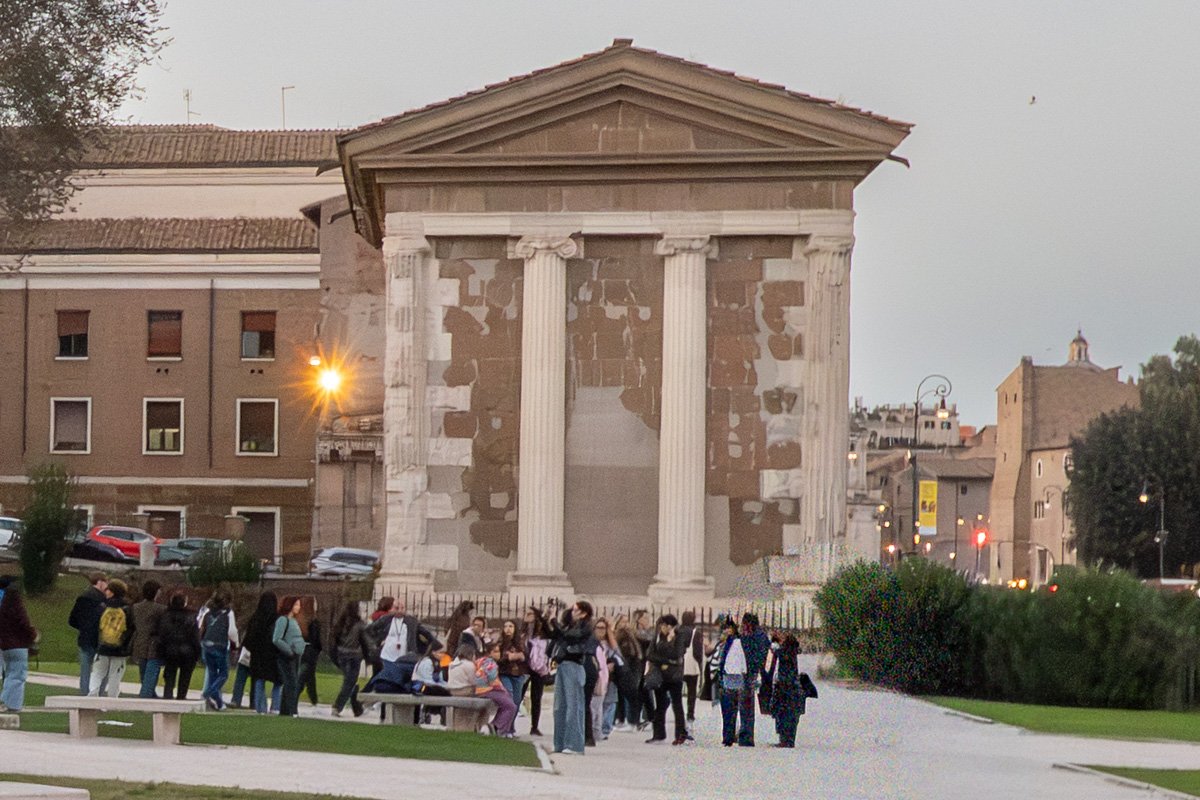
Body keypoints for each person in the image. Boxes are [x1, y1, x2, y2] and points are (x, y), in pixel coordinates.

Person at [363, 596, 441, 694]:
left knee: (400, 681)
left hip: (404, 657)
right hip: (387, 657)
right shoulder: (386, 619)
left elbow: (427, 634)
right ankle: (368, 697)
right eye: (396, 608)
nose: (399, 610)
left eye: (402, 608)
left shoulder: (411, 621)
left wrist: (433, 647)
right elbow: (370, 630)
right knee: (383, 679)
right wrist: (375, 643)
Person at [548, 599, 593, 755]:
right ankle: (559, 743)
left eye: (575, 610)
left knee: (574, 706)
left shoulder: (585, 627)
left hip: (574, 665)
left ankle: (574, 744)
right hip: (562, 664)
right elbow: (556, 636)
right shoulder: (569, 625)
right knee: (560, 706)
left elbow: (571, 637)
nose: (572, 613)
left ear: (583, 613)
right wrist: (551, 618)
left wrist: (555, 621)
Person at [645, 614, 687, 746]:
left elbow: (677, 654)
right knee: (660, 705)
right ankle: (658, 734)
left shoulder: (679, 637)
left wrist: (669, 640)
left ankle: (680, 735)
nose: (662, 628)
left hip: (674, 676)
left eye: (664, 625)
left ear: (671, 626)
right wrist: (667, 661)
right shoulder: (657, 637)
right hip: (660, 675)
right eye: (661, 625)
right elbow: (650, 654)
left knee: (677, 705)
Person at [89, 578, 135, 697]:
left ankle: (93, 692)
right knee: (115, 675)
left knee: (98, 672)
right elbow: (131, 628)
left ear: (112, 592)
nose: (106, 591)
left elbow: (95, 626)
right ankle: (112, 698)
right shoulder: (128, 608)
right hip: (119, 648)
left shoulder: (103, 607)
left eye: (108, 589)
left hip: (103, 645)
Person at [0, 576, 38, 712]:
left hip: (4, 644)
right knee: (17, 675)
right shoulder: (15, 602)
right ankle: (10, 703)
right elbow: (23, 622)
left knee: (9, 673)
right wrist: (33, 635)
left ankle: (9, 702)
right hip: (18, 644)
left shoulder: (2, 603)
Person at [769, 634, 813, 748]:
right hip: (795, 690)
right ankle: (790, 740)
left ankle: (784, 740)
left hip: (783, 688)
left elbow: (773, 651)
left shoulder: (782, 652)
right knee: (792, 717)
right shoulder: (795, 653)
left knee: (782, 715)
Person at [67, 572, 107, 695]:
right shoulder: (103, 600)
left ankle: (84, 695)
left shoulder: (82, 597)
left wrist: (83, 627)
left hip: (85, 637)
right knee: (101, 671)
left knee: (85, 670)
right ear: (100, 582)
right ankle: (98, 694)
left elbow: (72, 620)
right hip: (99, 638)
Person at [157, 592, 201, 700]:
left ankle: (168, 695)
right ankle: (181, 696)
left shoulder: (166, 615)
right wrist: (198, 652)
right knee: (185, 676)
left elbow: (162, 635)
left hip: (170, 650)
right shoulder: (191, 616)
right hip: (188, 651)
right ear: (184, 603)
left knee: (170, 675)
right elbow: (195, 636)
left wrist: (161, 650)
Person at [199, 591, 239, 710]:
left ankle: (219, 704)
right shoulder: (228, 613)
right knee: (223, 674)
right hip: (220, 646)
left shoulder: (207, 611)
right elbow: (231, 631)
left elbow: (200, 625)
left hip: (206, 644)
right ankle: (210, 692)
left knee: (212, 673)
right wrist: (236, 643)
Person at [243, 591, 281, 714]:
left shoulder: (255, 618)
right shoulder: (277, 619)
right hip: (273, 655)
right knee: (278, 681)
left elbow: (248, 639)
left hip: (258, 655)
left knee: (259, 680)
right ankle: (275, 706)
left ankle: (260, 707)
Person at [738, 612, 771, 747]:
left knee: (746, 703)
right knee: (746, 703)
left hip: (749, 671)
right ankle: (746, 733)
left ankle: (746, 735)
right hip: (752, 671)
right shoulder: (761, 635)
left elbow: (751, 653)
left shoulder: (753, 636)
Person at [330, 600, 367, 717]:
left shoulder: (340, 623)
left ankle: (357, 708)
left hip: (341, 655)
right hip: (354, 656)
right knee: (349, 682)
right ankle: (337, 706)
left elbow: (333, 640)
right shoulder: (360, 625)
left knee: (351, 681)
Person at [130, 580, 165, 698]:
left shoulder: (136, 607)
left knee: (143, 671)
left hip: (140, 641)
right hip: (153, 643)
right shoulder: (160, 609)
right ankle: (145, 696)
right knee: (151, 671)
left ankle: (151, 693)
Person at [272, 595, 306, 717]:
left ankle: (285, 711)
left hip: (296, 656)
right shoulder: (283, 620)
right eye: (296, 604)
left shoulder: (294, 621)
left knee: (291, 682)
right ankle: (292, 710)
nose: (299, 607)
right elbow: (276, 639)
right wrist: (289, 651)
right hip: (286, 656)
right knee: (291, 683)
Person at [716, 617, 747, 747]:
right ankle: (728, 736)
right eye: (725, 629)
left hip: (731, 678)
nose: (726, 631)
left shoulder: (735, 642)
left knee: (729, 709)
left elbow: (738, 661)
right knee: (728, 710)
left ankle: (728, 737)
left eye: (728, 628)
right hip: (728, 678)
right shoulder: (727, 642)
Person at [477, 641, 518, 737]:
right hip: (487, 690)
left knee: (506, 703)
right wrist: (502, 689)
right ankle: (497, 727)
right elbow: (492, 679)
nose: (498, 654)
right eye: (495, 651)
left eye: (499, 651)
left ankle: (497, 727)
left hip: (482, 690)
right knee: (511, 706)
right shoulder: (490, 664)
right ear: (489, 653)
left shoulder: (480, 661)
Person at [522, 606, 552, 737]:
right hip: (525, 667)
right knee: (519, 694)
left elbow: (549, 631)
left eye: (530, 614)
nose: (527, 616)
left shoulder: (543, 632)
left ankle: (534, 726)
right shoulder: (523, 630)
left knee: (536, 697)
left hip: (539, 668)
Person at [592, 617, 622, 741]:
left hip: (609, 677)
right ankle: (596, 730)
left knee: (608, 703)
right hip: (596, 676)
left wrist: (612, 663)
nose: (601, 631)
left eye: (603, 628)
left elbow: (619, 657)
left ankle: (604, 728)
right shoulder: (592, 643)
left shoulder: (610, 644)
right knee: (596, 705)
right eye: (598, 628)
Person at [613, 614, 643, 731]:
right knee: (621, 695)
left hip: (630, 667)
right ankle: (621, 719)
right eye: (623, 622)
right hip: (622, 667)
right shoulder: (619, 635)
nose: (625, 624)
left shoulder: (630, 635)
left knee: (631, 695)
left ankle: (632, 721)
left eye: (626, 621)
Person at [496, 619, 528, 711]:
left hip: (518, 675)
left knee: (517, 700)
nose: (508, 629)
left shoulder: (520, 643)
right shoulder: (500, 643)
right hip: (504, 673)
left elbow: (526, 656)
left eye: (510, 626)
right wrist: (507, 657)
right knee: (508, 695)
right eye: (505, 626)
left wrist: (520, 656)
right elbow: (496, 658)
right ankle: (506, 723)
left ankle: (511, 723)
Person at [678, 610, 704, 723]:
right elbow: (698, 651)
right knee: (692, 691)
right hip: (691, 665)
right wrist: (699, 663)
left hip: (678, 664)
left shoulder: (677, 630)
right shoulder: (696, 632)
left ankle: (678, 712)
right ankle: (690, 714)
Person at [297, 601, 323, 706]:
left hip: (304, 649)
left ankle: (313, 697)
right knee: (306, 675)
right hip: (310, 651)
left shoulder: (301, 620)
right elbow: (316, 639)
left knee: (309, 675)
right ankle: (310, 696)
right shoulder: (313, 622)